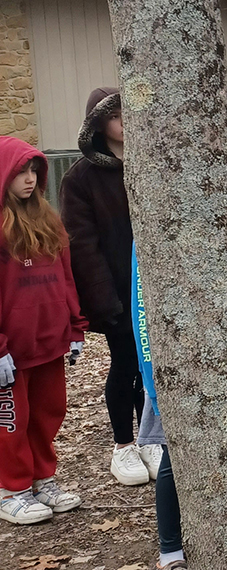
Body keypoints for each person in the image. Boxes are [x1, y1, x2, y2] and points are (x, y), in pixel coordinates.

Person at [60, 87, 160, 487]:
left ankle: (149, 435)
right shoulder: (81, 178)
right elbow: (81, 245)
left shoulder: (149, 164)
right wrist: (106, 301)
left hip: (155, 288)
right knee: (125, 363)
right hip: (118, 292)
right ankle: (123, 444)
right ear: (99, 124)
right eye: (115, 115)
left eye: (126, 113)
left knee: (150, 366)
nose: (124, 122)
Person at [0, 137, 86, 525]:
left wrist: (73, 327)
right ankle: (11, 489)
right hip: (11, 351)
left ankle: (42, 479)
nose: (29, 178)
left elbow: (65, 277)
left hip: (49, 341)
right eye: (20, 171)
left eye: (34, 169)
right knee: (12, 420)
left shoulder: (48, 219)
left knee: (48, 413)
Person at [130, 247, 189, 570]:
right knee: (172, 456)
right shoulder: (148, 239)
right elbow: (142, 313)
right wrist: (154, 382)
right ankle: (170, 553)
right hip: (168, 374)